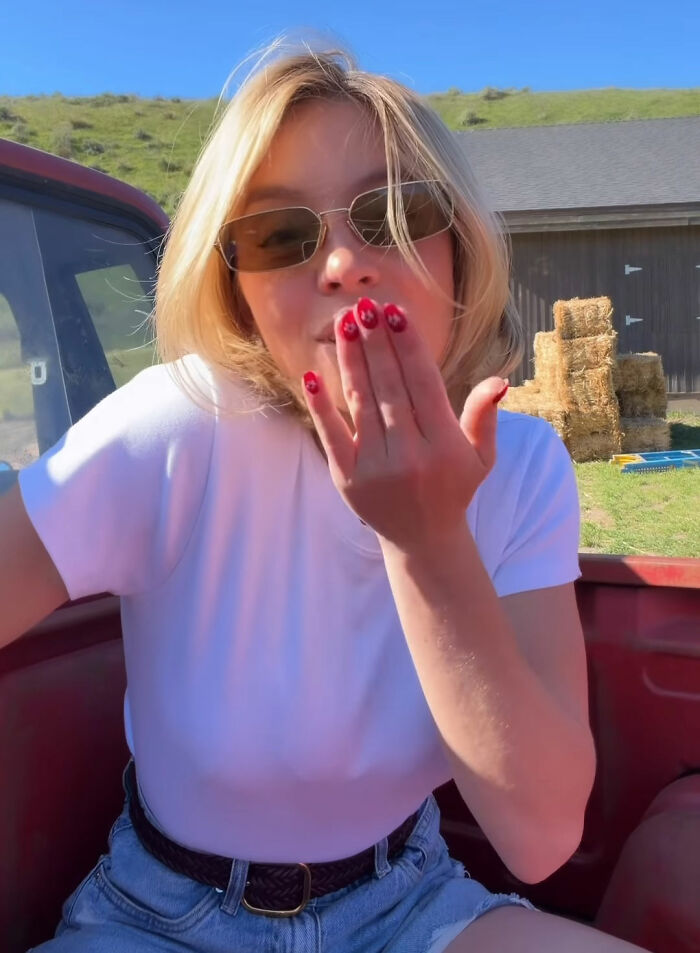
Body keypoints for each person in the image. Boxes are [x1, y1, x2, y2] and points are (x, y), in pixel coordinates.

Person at [0, 41, 650, 953]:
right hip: (162, 915)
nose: (343, 262)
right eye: (279, 235)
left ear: (458, 250)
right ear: (239, 291)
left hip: (407, 900)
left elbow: (540, 837)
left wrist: (428, 541)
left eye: (394, 213)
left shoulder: (524, 464)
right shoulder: (178, 426)